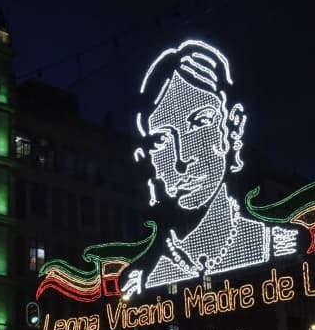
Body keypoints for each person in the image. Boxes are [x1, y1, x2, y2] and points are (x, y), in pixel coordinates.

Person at [123, 39, 297, 295]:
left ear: (233, 125)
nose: (181, 159)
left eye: (199, 121)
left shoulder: (279, 246)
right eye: (161, 139)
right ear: (147, 156)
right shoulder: (142, 283)